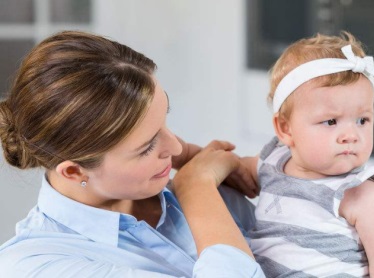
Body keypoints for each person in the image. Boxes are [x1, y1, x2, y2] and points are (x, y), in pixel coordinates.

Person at [0, 31, 264, 277]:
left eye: (165, 119)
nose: (177, 149)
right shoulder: (34, 266)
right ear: (74, 171)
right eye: (147, 146)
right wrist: (196, 188)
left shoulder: (205, 186)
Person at [244, 32, 374, 277]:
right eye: (331, 121)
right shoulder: (273, 161)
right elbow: (230, 168)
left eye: (362, 120)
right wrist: (185, 154)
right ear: (285, 128)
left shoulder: (364, 196)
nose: (351, 135)